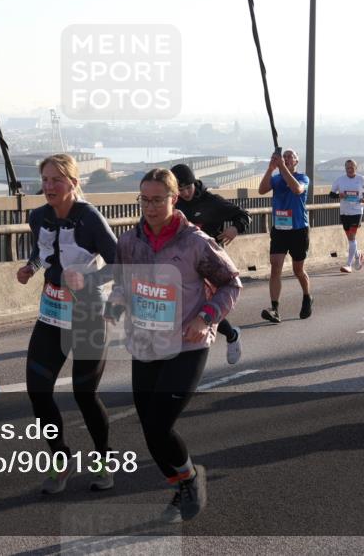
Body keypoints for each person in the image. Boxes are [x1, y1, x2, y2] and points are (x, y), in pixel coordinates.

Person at [107, 168, 241, 523]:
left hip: (187, 343)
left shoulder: (195, 242)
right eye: (144, 200)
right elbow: (122, 282)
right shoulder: (128, 242)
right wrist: (115, 303)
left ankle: (191, 482)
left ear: (174, 198)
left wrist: (207, 316)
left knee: (159, 425)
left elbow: (231, 283)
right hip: (146, 341)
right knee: (150, 430)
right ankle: (183, 482)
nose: (149, 208)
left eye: (157, 200)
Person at [16, 154, 117, 493]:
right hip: (52, 313)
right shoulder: (38, 216)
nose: (49, 186)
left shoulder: (89, 218)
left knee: (84, 394)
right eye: (45, 180)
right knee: (37, 391)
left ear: (73, 183)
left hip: (88, 313)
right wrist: (30, 268)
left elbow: (120, 263)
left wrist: (89, 280)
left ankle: (104, 461)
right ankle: (61, 460)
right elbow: (41, 251)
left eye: (56, 180)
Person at [169, 163, 249, 364]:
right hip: (181, 263)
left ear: (195, 183)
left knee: (203, 307)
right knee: (184, 306)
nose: (186, 193)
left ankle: (230, 335)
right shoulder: (172, 203)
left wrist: (235, 228)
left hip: (210, 264)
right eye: (180, 189)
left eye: (189, 187)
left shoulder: (211, 201)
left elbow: (243, 214)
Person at [257, 148, 312, 322]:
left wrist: (283, 167)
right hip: (280, 229)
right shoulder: (276, 179)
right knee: (275, 267)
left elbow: (297, 189)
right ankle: (274, 308)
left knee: (298, 270)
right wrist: (271, 168)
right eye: (285, 156)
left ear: (296, 161)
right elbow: (261, 190)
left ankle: (307, 296)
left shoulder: (303, 178)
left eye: (291, 157)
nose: (287, 158)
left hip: (298, 229)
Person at [329, 159, 364, 273]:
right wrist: (340, 195)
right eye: (347, 167)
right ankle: (358, 255)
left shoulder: (361, 179)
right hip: (344, 211)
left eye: (352, 167)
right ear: (345, 168)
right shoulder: (340, 180)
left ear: (356, 168)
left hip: (357, 211)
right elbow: (331, 194)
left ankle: (348, 265)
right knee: (350, 238)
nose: (349, 169)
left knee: (352, 236)